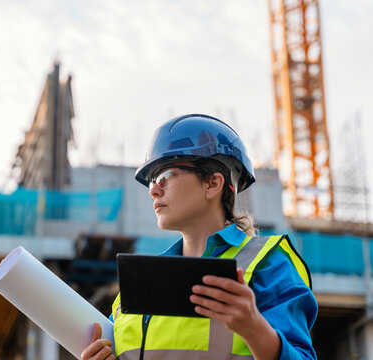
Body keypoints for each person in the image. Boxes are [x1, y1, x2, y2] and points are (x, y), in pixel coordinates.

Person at [80, 114, 317, 360]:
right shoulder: (139, 284)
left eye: (164, 176)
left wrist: (253, 328)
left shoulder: (267, 264)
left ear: (213, 183)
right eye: (152, 180)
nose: (153, 190)